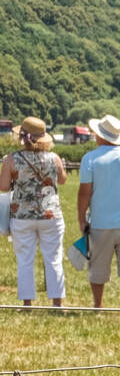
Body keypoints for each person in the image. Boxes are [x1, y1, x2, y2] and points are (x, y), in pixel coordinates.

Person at [77, 114, 120, 310]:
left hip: (100, 223)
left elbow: (84, 193)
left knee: (97, 266)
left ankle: (98, 305)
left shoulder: (90, 159)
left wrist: (81, 219)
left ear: (100, 136)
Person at [0, 117, 67, 308]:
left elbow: (3, 187)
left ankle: (27, 303)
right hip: (51, 214)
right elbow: (62, 180)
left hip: (22, 215)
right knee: (54, 258)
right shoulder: (54, 158)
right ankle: (57, 303)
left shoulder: (12, 159)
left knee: (25, 260)